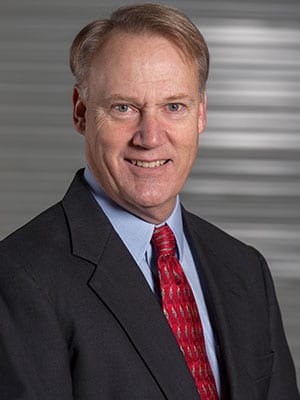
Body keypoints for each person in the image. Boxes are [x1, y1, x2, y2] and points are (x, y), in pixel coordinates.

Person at [0, 3, 299, 400]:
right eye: (124, 107)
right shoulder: (21, 277)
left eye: (174, 106)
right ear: (81, 112)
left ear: (201, 114)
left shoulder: (245, 269)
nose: (150, 136)